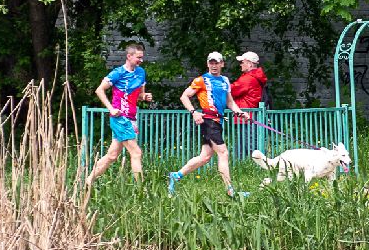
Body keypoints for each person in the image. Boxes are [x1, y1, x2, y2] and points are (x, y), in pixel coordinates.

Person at [168, 52, 248, 196]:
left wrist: (240, 112)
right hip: (209, 121)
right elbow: (184, 96)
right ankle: (230, 190)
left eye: (216, 63)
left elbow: (230, 102)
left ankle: (176, 175)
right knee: (223, 153)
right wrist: (194, 112)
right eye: (211, 63)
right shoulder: (201, 80)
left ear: (222, 64)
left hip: (218, 121)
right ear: (207, 64)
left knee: (204, 157)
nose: (214, 65)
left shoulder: (225, 80)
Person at [86, 43, 154, 185]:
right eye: (138, 57)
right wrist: (111, 108)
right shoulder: (117, 73)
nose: (141, 60)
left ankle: (88, 181)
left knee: (112, 156)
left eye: (142, 57)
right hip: (120, 118)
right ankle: (141, 190)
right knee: (136, 153)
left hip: (132, 117)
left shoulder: (141, 72)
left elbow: (139, 95)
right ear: (129, 56)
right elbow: (99, 90)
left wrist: (145, 96)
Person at [229, 51, 268, 160]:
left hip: (247, 116)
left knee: (251, 148)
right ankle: (243, 167)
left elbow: (231, 91)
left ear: (250, 64)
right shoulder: (253, 77)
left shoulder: (248, 79)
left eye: (242, 62)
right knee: (242, 148)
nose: (240, 64)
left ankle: (258, 167)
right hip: (248, 116)